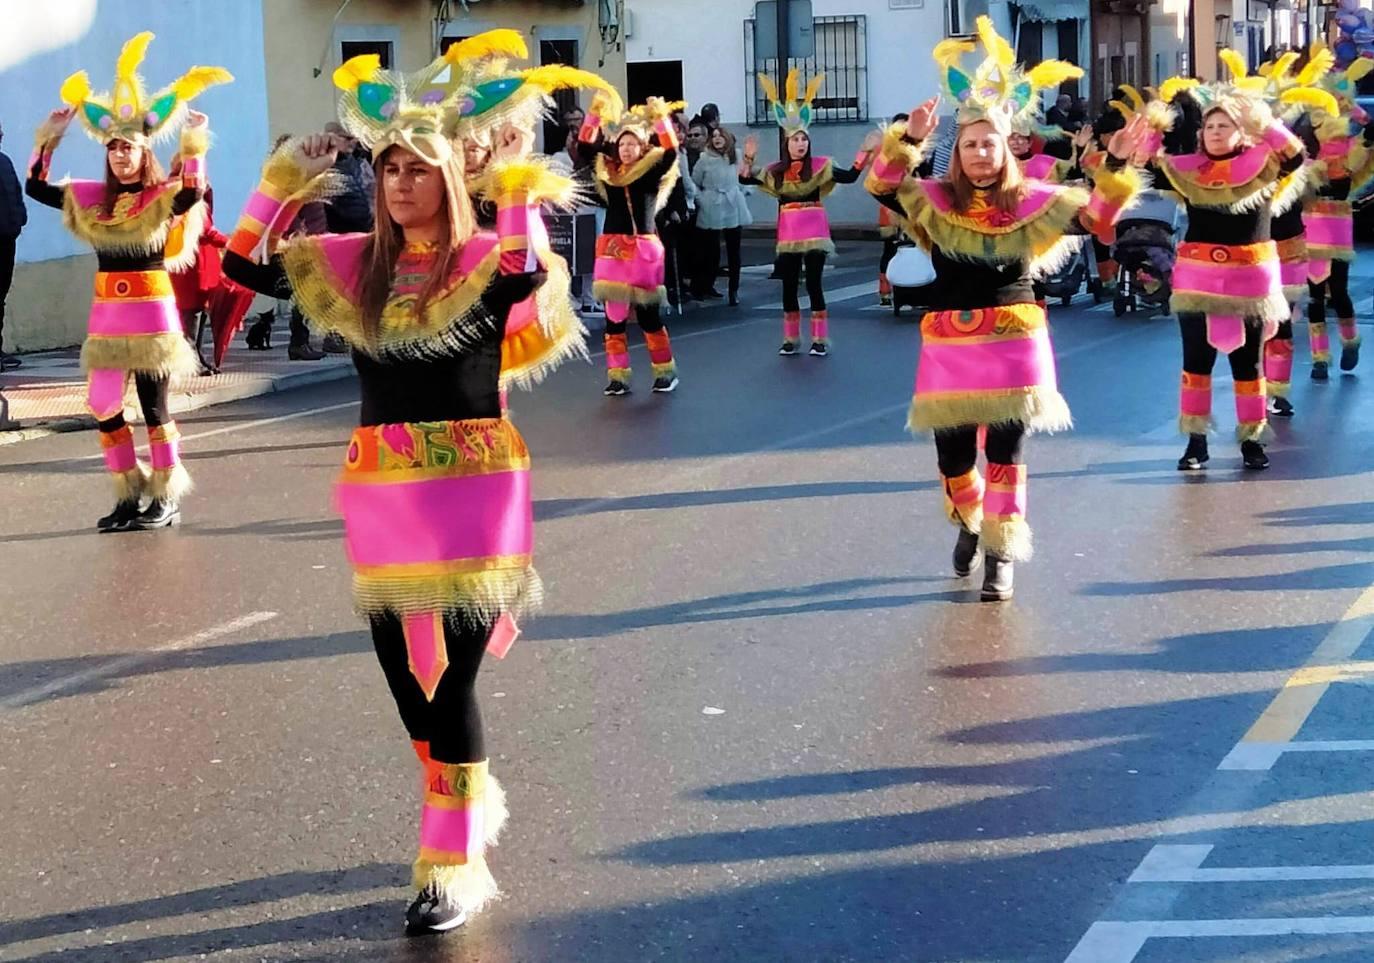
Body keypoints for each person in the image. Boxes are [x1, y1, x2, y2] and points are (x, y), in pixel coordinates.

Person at [223, 47, 581, 936]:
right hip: (383, 494)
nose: (399, 181)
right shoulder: (351, 265)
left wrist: (512, 180)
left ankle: (449, 861)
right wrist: (283, 181)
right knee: (405, 684)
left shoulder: (489, 259)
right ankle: (466, 792)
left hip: (473, 488)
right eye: (388, 166)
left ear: (448, 178)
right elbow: (239, 265)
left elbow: (531, 269)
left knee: (450, 679)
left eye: (417, 167)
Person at [866, 18, 1146, 601]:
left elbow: (1097, 219)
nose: (980, 152)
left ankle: (1001, 552)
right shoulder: (934, 200)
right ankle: (969, 521)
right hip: (950, 345)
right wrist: (907, 139)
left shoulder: (1032, 202)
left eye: (989, 141)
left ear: (1007, 145)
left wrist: (1116, 165)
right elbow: (881, 187)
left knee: (1006, 453)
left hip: (1015, 340)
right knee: (953, 458)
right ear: (958, 150)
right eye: (969, 143)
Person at [26, 32, 231, 531]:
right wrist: (49, 138)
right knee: (101, 403)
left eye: (130, 147)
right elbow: (35, 187)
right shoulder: (92, 198)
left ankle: (166, 493)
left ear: (145, 153)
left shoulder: (161, 197)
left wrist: (193, 143)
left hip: (153, 320)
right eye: (114, 147)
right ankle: (126, 491)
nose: (121, 155)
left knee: (155, 408)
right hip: (108, 322)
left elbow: (193, 191)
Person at [1152, 69, 1306, 472]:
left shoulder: (1265, 166)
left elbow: (1295, 156)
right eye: (1209, 126)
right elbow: (1147, 167)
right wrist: (1151, 126)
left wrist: (1262, 120)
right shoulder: (1186, 170)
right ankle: (1196, 441)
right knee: (1195, 364)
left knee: (1247, 366)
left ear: (1242, 133)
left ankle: (1252, 441)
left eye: (1225, 125)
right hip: (1196, 284)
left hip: (1249, 285)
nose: (1215, 132)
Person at [741, 68, 880, 357]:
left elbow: (849, 176)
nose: (800, 144)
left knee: (815, 284)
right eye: (795, 140)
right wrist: (749, 157)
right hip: (789, 234)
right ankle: (791, 339)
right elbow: (745, 178)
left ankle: (819, 339)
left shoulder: (820, 165)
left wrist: (864, 154)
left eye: (803, 140)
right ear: (786, 143)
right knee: (789, 285)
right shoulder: (776, 171)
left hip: (815, 231)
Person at [576, 92, 683, 395]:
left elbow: (671, 152)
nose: (625, 149)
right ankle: (617, 376)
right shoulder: (609, 174)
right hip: (612, 252)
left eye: (632, 143)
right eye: (622, 143)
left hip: (642, 252)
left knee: (649, 316)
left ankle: (665, 371)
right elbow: (585, 148)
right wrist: (594, 113)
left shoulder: (650, 172)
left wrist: (660, 116)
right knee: (615, 318)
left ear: (641, 146)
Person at [1301, 48, 1374, 380]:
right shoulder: (1304, 151)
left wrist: (1367, 139)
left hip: (1338, 223)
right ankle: (1319, 357)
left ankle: (1349, 340)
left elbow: (1358, 165)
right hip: (1309, 223)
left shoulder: (1351, 151)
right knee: (1314, 295)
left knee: (1340, 291)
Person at [165, 155, 228, 374]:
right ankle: (189, 361)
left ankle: (197, 356)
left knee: (199, 310)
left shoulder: (202, 189)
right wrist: (231, 242)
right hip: (188, 262)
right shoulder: (178, 191)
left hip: (203, 260)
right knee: (188, 312)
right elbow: (204, 228)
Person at [691, 126, 745, 304]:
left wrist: (743, 192)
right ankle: (703, 285)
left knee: (734, 251)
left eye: (720, 135)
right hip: (711, 205)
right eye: (714, 136)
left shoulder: (736, 155)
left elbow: (743, 176)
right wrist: (702, 199)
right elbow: (695, 182)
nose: (717, 139)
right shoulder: (705, 158)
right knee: (709, 249)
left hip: (732, 204)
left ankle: (733, 290)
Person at [0, 119, 26, 370]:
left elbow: (15, 193)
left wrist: (20, 220)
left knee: (1, 295)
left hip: (7, 238)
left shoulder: (5, 161)